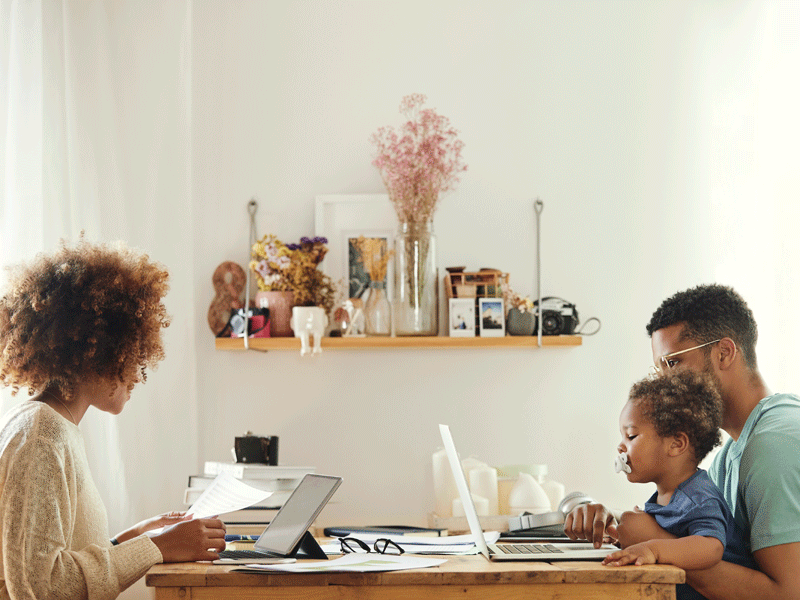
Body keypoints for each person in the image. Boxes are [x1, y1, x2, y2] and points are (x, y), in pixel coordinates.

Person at [0, 239, 227, 600]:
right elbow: (41, 587)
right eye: (132, 350)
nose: (138, 369)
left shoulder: (54, 426)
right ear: (97, 350)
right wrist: (158, 548)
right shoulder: (41, 437)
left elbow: (60, 557)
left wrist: (136, 537)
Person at [564, 284, 800, 600]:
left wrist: (654, 541)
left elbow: (787, 594)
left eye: (672, 363)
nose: (664, 382)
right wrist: (616, 521)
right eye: (658, 368)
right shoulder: (731, 452)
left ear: (724, 352)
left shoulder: (774, 446)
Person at [601, 370, 755, 600]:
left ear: (676, 444)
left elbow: (711, 547)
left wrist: (652, 548)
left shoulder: (698, 496)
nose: (620, 448)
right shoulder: (668, 495)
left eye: (631, 436)